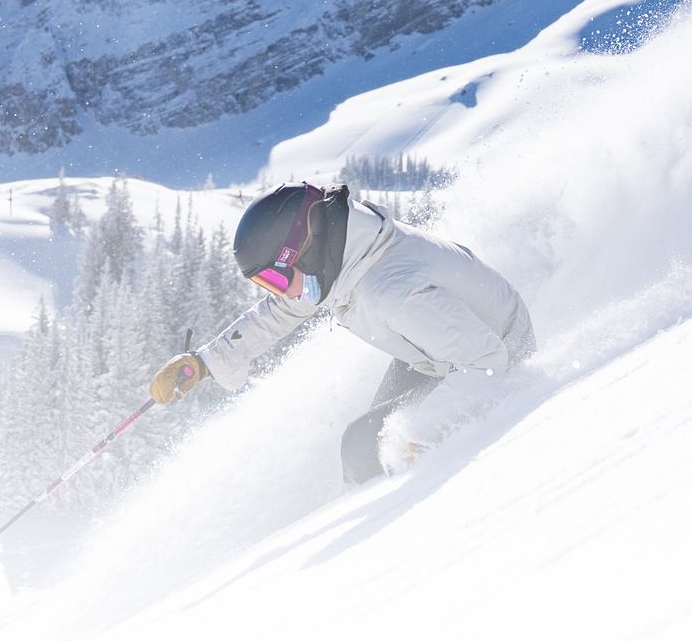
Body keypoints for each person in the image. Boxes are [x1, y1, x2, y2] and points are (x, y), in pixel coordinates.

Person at [149, 182, 535, 484]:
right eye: (267, 283)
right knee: (370, 439)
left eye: (276, 277)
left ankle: (404, 526)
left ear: (303, 248)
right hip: (435, 352)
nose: (281, 292)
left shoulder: (390, 290)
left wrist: (427, 430)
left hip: (496, 355)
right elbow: (279, 311)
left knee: (363, 445)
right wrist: (206, 363)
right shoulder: (345, 256)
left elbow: (491, 365)